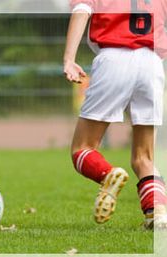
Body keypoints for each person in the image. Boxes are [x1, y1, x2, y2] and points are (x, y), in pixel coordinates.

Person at [63, 0, 167, 229]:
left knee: (82, 148)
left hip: (113, 58)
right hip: (152, 63)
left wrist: (69, 59)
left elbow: (81, 12)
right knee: (145, 157)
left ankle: (108, 174)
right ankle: (158, 214)